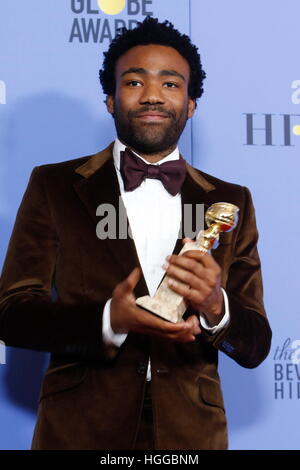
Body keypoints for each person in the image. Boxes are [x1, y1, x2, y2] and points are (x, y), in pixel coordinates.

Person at [0, 17, 272, 450]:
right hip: (79, 429)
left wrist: (215, 306)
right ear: (109, 99)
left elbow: (256, 343)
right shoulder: (54, 186)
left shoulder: (230, 200)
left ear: (191, 103)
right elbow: (12, 314)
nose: (151, 96)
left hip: (191, 436)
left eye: (170, 84)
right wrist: (108, 321)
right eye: (133, 82)